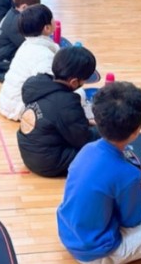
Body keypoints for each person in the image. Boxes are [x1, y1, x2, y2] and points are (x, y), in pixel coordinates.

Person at [56, 81, 141, 264]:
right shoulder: (128, 174)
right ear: (136, 131)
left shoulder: (87, 149)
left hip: (68, 234)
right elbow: (131, 220)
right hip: (97, 254)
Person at [17, 46, 100, 178]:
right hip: (49, 163)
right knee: (102, 148)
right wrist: (104, 130)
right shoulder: (66, 102)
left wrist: (85, 122)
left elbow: (53, 117)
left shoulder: (37, 85)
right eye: (84, 80)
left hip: (29, 152)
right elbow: (83, 139)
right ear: (74, 82)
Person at [0, 4, 57, 120]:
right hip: (19, 108)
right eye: (52, 18)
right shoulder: (44, 55)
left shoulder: (27, 44)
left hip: (7, 103)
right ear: (47, 28)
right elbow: (49, 86)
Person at [0, 0, 42, 76]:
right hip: (1, 59)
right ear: (24, 7)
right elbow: (28, 45)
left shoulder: (13, 12)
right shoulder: (15, 23)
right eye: (34, 10)